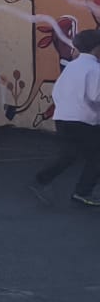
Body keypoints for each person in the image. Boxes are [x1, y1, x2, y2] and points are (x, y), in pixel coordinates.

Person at [30, 28, 100, 207]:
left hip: (63, 117)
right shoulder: (95, 69)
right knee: (95, 156)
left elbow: (56, 91)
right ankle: (82, 192)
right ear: (96, 48)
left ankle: (41, 179)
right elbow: (96, 96)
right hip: (85, 119)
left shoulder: (71, 67)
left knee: (69, 154)